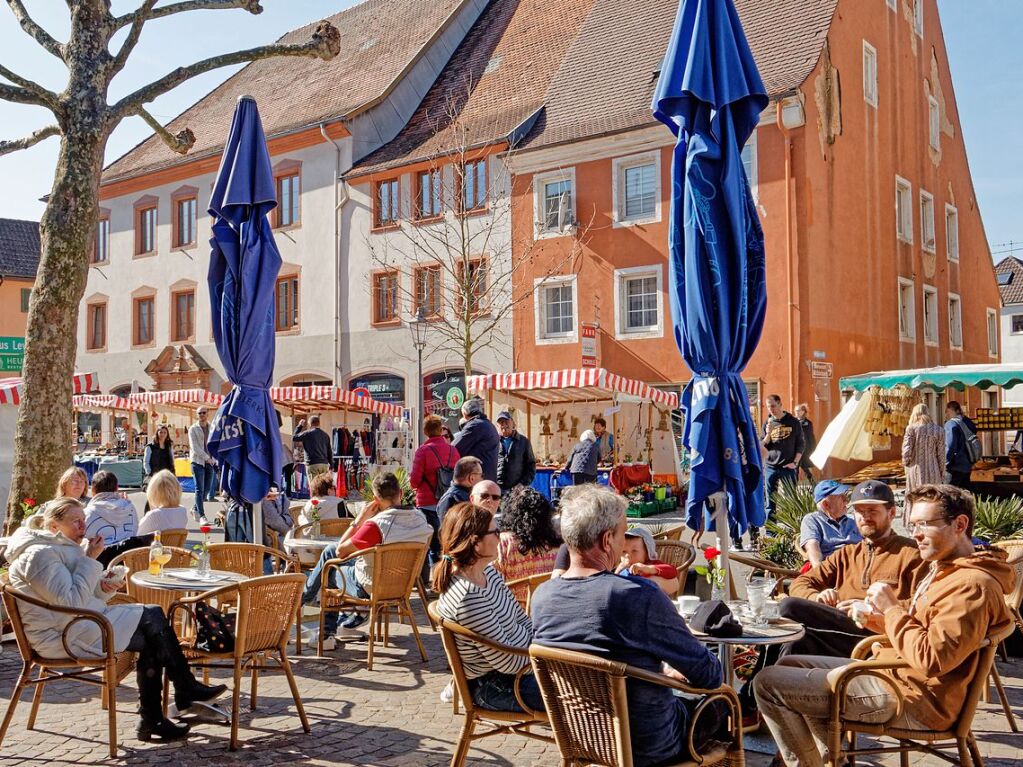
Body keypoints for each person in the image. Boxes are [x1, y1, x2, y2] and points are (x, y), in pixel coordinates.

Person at [755, 484, 1014, 767]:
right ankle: (831, 759)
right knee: (791, 663)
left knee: (767, 683)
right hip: (891, 671)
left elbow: (931, 660)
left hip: (912, 698)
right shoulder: (947, 571)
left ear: (960, 524)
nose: (915, 534)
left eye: (925, 525)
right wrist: (880, 618)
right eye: (913, 525)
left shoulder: (970, 585)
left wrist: (891, 609)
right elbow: (923, 626)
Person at [531, 485, 725, 766]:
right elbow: (708, 674)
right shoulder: (634, 595)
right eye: (623, 535)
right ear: (607, 539)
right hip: (648, 745)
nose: (624, 545)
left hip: (582, 737)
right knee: (725, 703)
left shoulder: (542, 597)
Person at [6, 497, 226, 741]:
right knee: (152, 615)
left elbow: (80, 594)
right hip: (63, 635)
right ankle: (180, 692)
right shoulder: (41, 555)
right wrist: (90, 559)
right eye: (75, 522)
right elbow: (71, 602)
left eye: (83, 520)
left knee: (152, 635)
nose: (83, 527)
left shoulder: (61, 548)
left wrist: (106, 586)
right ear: (53, 527)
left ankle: (156, 715)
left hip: (78, 624)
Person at [778, 479, 928, 659]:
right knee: (793, 640)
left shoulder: (912, 554)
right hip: (840, 630)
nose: (865, 517)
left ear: (892, 513)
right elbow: (801, 582)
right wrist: (817, 596)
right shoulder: (847, 554)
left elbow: (924, 603)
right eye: (859, 511)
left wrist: (867, 607)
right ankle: (753, 686)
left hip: (875, 635)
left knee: (789, 606)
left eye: (872, 511)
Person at [434, 501, 545, 712]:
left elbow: (520, 619)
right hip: (495, 686)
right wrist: (547, 658)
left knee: (589, 680)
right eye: (495, 532)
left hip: (517, 671)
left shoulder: (488, 573)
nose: (501, 536)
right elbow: (506, 661)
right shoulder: (467, 595)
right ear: (476, 543)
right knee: (587, 691)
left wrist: (545, 647)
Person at [302, 472, 432, 649]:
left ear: (376, 498)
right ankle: (346, 624)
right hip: (401, 584)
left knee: (330, 564)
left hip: (370, 585)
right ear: (400, 493)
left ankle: (322, 630)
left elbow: (341, 550)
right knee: (336, 559)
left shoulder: (376, 525)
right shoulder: (420, 519)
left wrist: (359, 519)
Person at [492, 486, 561, 600]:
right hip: (548, 609)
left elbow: (491, 583)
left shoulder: (502, 544)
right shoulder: (558, 546)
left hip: (515, 611)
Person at [410, 413, 460, 566]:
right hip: (450, 502)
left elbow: (414, 481)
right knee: (447, 543)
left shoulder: (422, 451)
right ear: (440, 430)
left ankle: (434, 580)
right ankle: (446, 577)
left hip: (427, 503)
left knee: (431, 545)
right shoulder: (453, 451)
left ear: (425, 431)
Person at [761, 394, 804, 525]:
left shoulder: (793, 421)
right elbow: (763, 445)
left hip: (788, 467)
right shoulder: (767, 423)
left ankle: (791, 528)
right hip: (771, 467)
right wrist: (768, 433)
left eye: (773, 406)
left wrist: (795, 463)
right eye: (769, 407)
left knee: (790, 500)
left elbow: (801, 444)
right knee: (770, 501)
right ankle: (771, 532)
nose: (771, 409)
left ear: (780, 405)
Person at [799, 480, 861, 569]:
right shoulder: (813, 520)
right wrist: (820, 573)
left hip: (861, 565)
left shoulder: (853, 519)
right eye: (841, 497)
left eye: (845, 496)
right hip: (835, 569)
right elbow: (812, 547)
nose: (846, 500)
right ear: (826, 504)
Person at [902, 403, 947, 518]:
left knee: (916, 497)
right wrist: (941, 474)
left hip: (916, 470)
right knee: (933, 498)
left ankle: (914, 524)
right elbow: (942, 456)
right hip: (934, 470)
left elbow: (906, 453)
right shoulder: (939, 430)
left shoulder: (911, 429)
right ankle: (933, 521)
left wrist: (906, 465)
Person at [84, 471, 139, 545]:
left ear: (93, 490)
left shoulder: (86, 514)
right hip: (127, 554)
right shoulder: (130, 508)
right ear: (117, 488)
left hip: (99, 555)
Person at [452, 398, 500, 482]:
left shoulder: (474, 425)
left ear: (465, 414)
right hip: (488, 478)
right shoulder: (489, 425)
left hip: (477, 479)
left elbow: (453, 448)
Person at [188, 408, 217, 526]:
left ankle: (195, 508)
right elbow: (195, 448)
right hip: (197, 461)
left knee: (207, 489)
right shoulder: (193, 429)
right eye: (199, 413)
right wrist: (207, 458)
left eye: (204, 412)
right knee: (199, 489)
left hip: (210, 462)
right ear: (197, 415)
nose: (202, 415)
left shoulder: (212, 427)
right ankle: (202, 515)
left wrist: (214, 458)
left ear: (207, 414)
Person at [495, 411, 536, 493]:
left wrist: (523, 484)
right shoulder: (493, 441)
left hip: (517, 489)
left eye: (506, 422)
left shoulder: (523, 441)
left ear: (513, 424)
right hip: (497, 488)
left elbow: (531, 465)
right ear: (497, 426)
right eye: (501, 422)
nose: (504, 425)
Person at [137, 470, 188, 536]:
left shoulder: (155, 515)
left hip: (156, 545)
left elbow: (136, 534)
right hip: (174, 546)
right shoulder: (182, 511)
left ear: (153, 492)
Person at [944, 400, 978, 490]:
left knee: (948, 494)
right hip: (967, 465)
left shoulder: (951, 424)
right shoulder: (968, 422)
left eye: (946, 412)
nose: (946, 415)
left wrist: (945, 462)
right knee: (965, 495)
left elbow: (950, 445)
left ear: (950, 410)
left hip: (955, 466)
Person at [437, 457, 483, 522]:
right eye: (481, 475)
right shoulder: (454, 499)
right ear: (472, 478)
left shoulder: (459, 496)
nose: (482, 479)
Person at [794, 403, 816, 483]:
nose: (796, 412)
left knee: (805, 468)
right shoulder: (793, 422)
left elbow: (810, 437)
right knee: (795, 469)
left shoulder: (808, 423)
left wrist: (813, 449)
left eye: (798, 411)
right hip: (795, 449)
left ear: (803, 411)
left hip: (805, 450)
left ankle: (813, 485)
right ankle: (793, 488)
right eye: (795, 411)